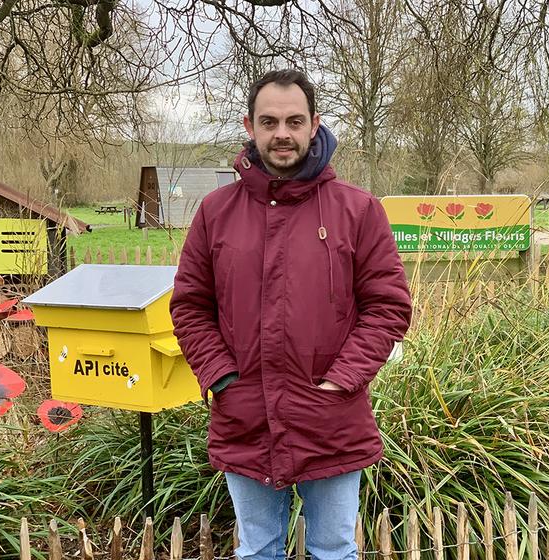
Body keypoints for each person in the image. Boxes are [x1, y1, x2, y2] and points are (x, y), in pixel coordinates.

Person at [169, 69, 412, 560]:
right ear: (250, 126)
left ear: (314, 124)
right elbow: (190, 306)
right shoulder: (216, 212)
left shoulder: (357, 210)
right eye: (270, 121)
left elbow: (387, 307)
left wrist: (340, 382)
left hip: (331, 417)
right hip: (246, 415)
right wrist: (222, 378)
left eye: (294, 121)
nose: (282, 133)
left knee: (334, 550)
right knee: (257, 550)